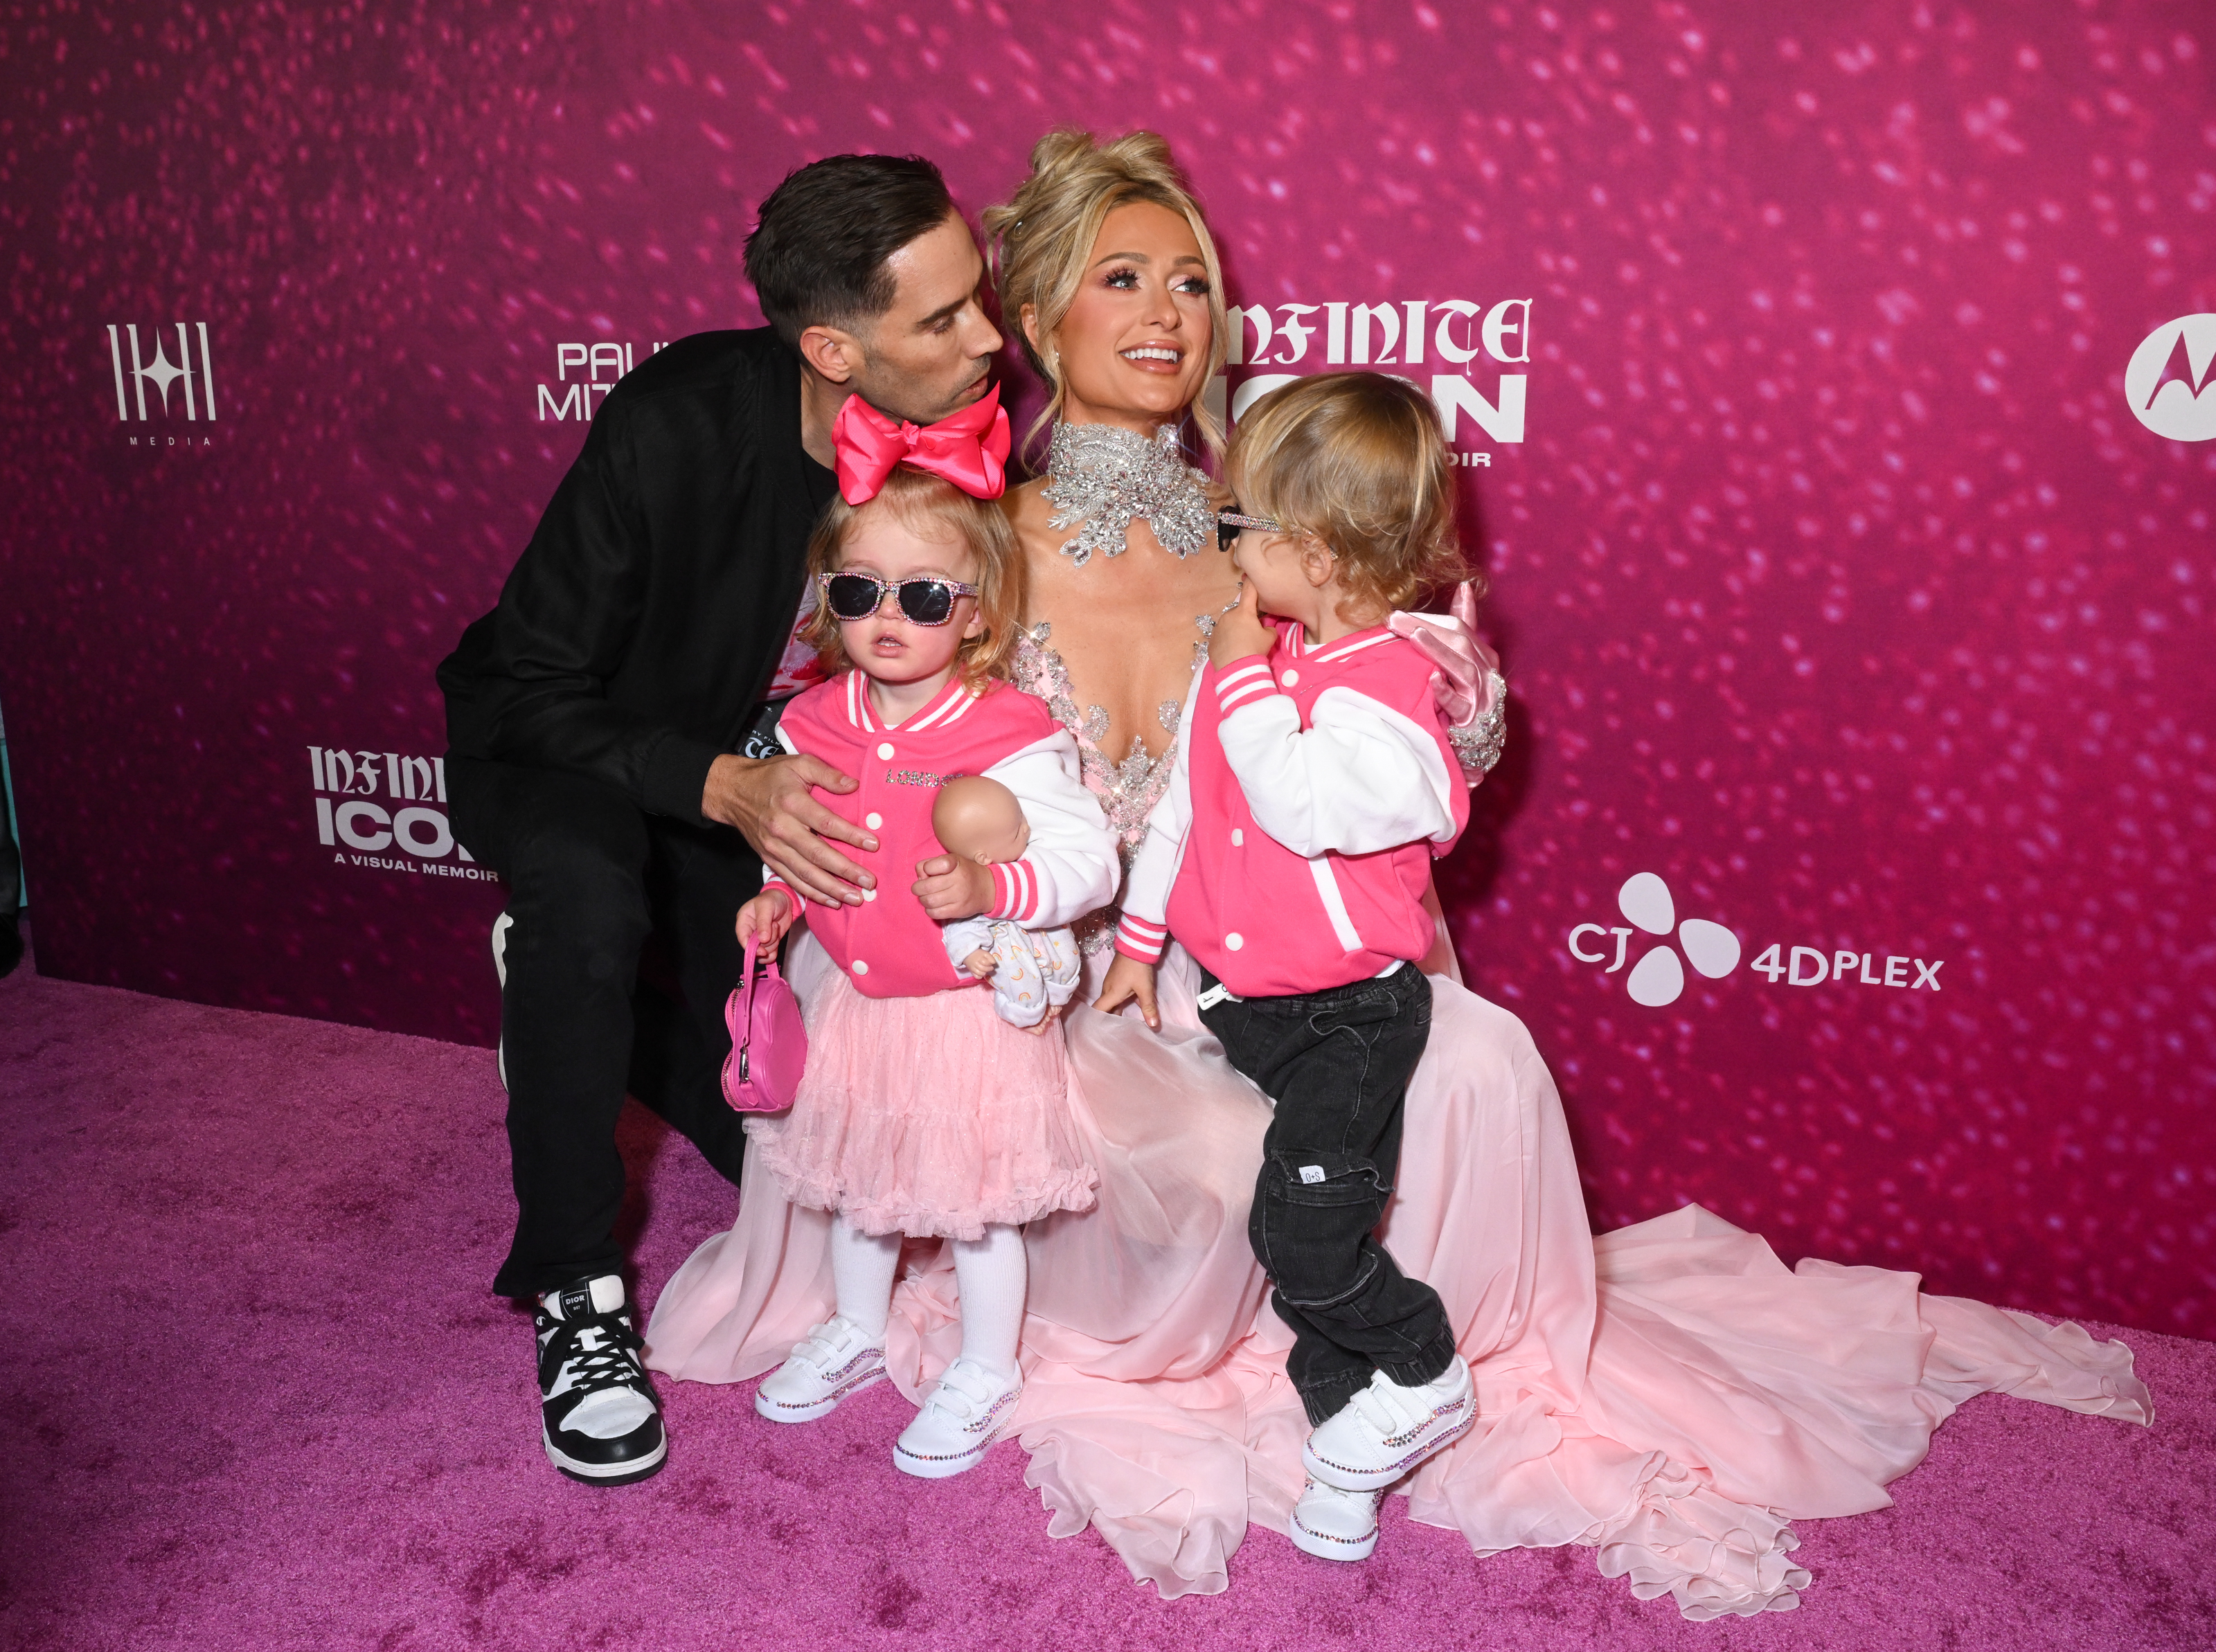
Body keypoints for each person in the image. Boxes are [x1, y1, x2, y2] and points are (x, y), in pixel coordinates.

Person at [647, 129, 2150, 1615]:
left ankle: (1399, 1366)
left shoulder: (1288, 540)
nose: (1171, 312)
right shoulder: (963, 545)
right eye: (1121, 277)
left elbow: (1382, 775)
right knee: (1177, 1150)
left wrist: (1444, 688)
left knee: (1474, 1057)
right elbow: (856, 726)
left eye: (1193, 279)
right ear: (1035, 319)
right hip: (1027, 963)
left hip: (1230, 952)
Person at [436, 151, 1003, 1486]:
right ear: (831, 348)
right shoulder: (676, 418)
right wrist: (714, 784)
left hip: (757, 784)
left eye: (979, 299)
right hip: (578, 744)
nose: (990, 338)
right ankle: (576, 1289)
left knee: (779, 1153)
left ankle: (599, 1026)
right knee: (584, 897)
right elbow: (530, 683)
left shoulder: (969, 427)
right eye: (943, 319)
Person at [1098, 372, 1478, 1561]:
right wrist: (1138, 943)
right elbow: (1184, 814)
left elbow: (1298, 801)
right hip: (1250, 1007)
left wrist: (1246, 682)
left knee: (1305, 1237)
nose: (1227, 551)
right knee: (1293, 1238)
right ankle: (1346, 1444)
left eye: (1239, 528)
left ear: (1310, 554)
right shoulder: (1253, 669)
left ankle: (1426, 1372)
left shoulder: (1396, 693)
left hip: (1352, 1016)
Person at [733, 429, 1117, 1476]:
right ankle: (860, 1325)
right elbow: (803, 838)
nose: (887, 618)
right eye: (858, 593)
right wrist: (778, 901)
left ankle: (989, 1362)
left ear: (980, 612)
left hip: (963, 1013)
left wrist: (997, 888)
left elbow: (1090, 863)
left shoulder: (1008, 728)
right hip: (858, 1003)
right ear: (827, 601)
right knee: (864, 1180)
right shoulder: (815, 720)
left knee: (979, 1204)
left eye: (924, 596)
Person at [935, 777, 1085, 1030]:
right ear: (983, 857)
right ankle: (1024, 1015)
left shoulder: (1031, 856)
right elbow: (959, 927)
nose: (1027, 829)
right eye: (1017, 830)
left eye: (1023, 819)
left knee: (1067, 958)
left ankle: (1059, 993)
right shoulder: (971, 888)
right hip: (1011, 951)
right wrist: (971, 955)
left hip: (1046, 933)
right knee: (1023, 984)